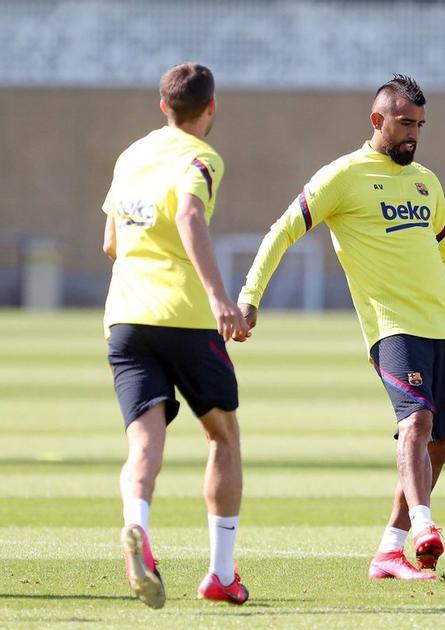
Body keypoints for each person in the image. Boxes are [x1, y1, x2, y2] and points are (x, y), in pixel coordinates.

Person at [237, 74, 445, 581]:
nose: (413, 135)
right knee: (416, 422)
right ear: (377, 120)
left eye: (420, 125)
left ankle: (389, 551)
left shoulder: (426, 181)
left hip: (438, 329)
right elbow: (282, 230)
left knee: (442, 441)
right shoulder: (343, 176)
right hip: (391, 328)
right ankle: (423, 525)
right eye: (404, 124)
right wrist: (249, 296)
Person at [102, 62, 250, 607]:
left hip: (125, 318)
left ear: (163, 106)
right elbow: (189, 213)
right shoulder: (202, 156)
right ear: (210, 108)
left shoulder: (130, 156)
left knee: (143, 443)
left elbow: (110, 243)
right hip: (184, 318)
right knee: (223, 437)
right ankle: (221, 574)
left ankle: (136, 525)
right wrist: (219, 299)